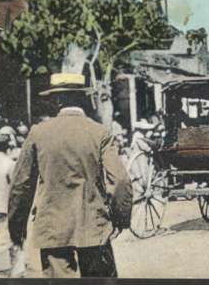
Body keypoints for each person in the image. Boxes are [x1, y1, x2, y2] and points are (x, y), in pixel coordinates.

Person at [8, 73, 133, 278]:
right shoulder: (99, 132)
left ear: (56, 100)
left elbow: (20, 185)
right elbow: (120, 181)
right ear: (84, 98)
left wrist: (16, 229)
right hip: (94, 226)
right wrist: (120, 218)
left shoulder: (38, 133)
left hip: (53, 227)